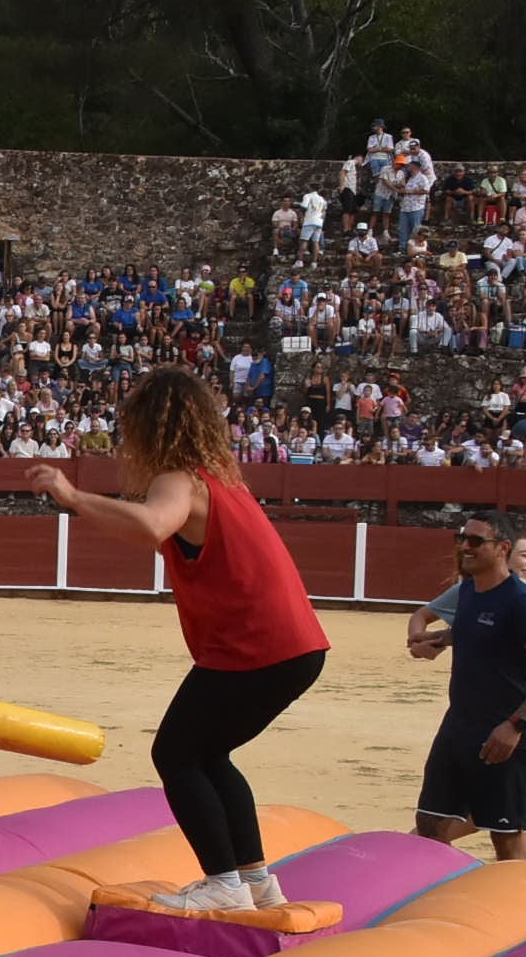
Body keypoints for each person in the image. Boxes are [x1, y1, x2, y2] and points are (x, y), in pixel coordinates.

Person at [29, 368, 328, 912]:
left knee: (176, 753)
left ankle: (224, 883)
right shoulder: (221, 480)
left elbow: (150, 525)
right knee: (209, 753)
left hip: (255, 646)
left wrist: (73, 496)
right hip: (294, 647)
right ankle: (255, 880)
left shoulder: (181, 479)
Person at [410, 513, 526, 861]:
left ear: (502, 548)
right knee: (429, 823)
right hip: (458, 726)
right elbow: (476, 633)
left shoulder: (520, 601)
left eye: (476, 541)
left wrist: (515, 726)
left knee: (506, 837)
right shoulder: (468, 591)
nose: (465, 547)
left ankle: (519, 910)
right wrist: (435, 640)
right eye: (462, 538)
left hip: (504, 733)